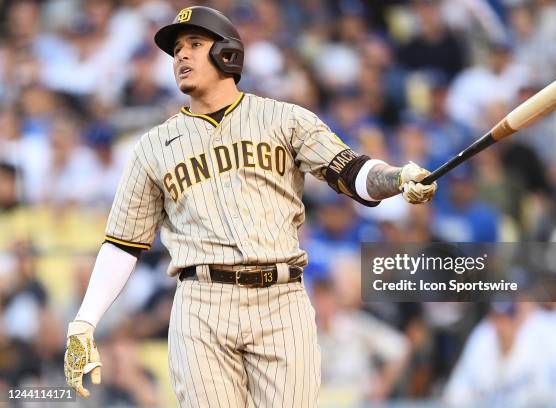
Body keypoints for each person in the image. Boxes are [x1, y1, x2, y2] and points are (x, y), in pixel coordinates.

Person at [63, 6, 437, 407]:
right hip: (201, 302)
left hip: (280, 298)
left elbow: (353, 173)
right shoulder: (152, 146)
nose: (181, 56)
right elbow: (123, 243)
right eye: (176, 50)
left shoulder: (284, 119)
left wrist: (396, 178)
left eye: (194, 44)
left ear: (228, 54)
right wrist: (85, 319)